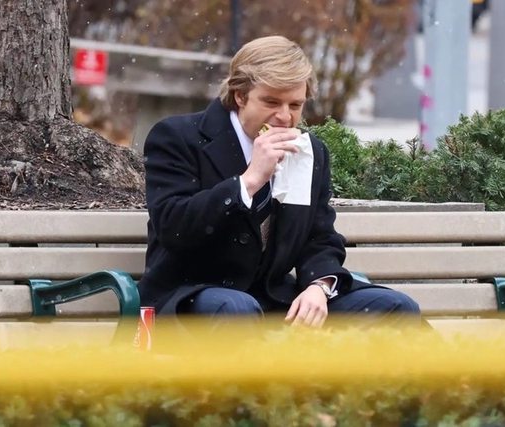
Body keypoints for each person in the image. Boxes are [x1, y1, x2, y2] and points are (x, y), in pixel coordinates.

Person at [138, 35, 420, 327]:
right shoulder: (178, 137)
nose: (284, 117)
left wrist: (319, 286)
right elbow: (174, 227)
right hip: (190, 295)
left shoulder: (309, 152)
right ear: (240, 96)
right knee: (235, 308)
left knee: (396, 307)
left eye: (295, 105)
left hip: (273, 299)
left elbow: (319, 237)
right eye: (271, 102)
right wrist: (248, 181)